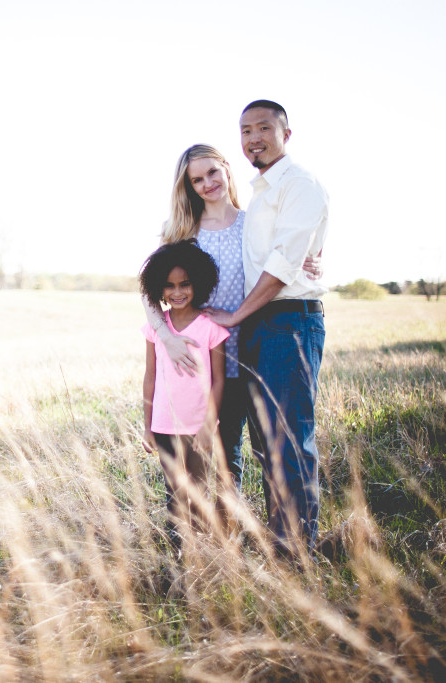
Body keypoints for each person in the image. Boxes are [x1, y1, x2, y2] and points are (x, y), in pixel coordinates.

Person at [143, 144, 321, 533]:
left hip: (256, 350)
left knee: (258, 453)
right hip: (205, 363)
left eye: (212, 172)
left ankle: (262, 538)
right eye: (197, 179)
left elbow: (284, 259)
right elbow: (149, 291)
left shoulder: (253, 223)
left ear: (226, 169)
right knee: (211, 456)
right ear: (188, 187)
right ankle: (207, 539)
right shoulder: (183, 233)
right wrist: (167, 339)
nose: (208, 183)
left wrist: (309, 260)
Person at [206, 100, 329, 558]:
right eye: (245, 130)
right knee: (265, 443)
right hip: (261, 325)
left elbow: (281, 267)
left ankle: (295, 554)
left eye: (263, 128)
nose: (252, 138)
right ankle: (278, 542)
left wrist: (236, 315)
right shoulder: (260, 195)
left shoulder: (300, 185)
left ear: (286, 134)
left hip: (289, 321)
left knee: (288, 439)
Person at [140, 240, 228, 547]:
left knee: (199, 489)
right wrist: (148, 426)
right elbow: (150, 377)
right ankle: (180, 552)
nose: (177, 293)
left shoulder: (210, 328)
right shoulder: (156, 328)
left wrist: (208, 425)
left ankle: (204, 550)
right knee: (175, 491)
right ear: (158, 289)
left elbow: (219, 381)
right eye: (169, 286)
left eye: (185, 284)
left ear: (198, 284)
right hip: (164, 425)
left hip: (198, 427)